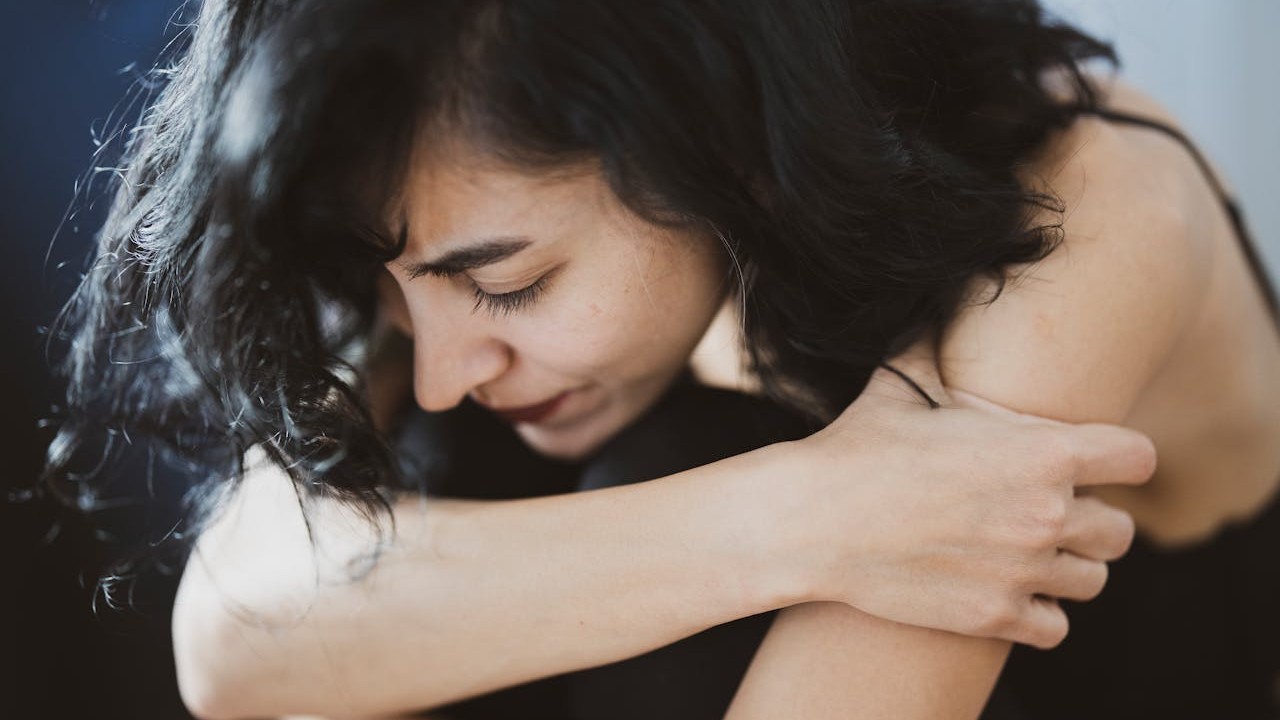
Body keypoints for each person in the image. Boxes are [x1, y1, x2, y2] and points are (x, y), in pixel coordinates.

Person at [45, 0, 1277, 718]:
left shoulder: (1088, 213)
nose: (437, 365)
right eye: (387, 292)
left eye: (510, 284)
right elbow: (233, 631)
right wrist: (803, 515)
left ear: (720, 141)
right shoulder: (436, 183)